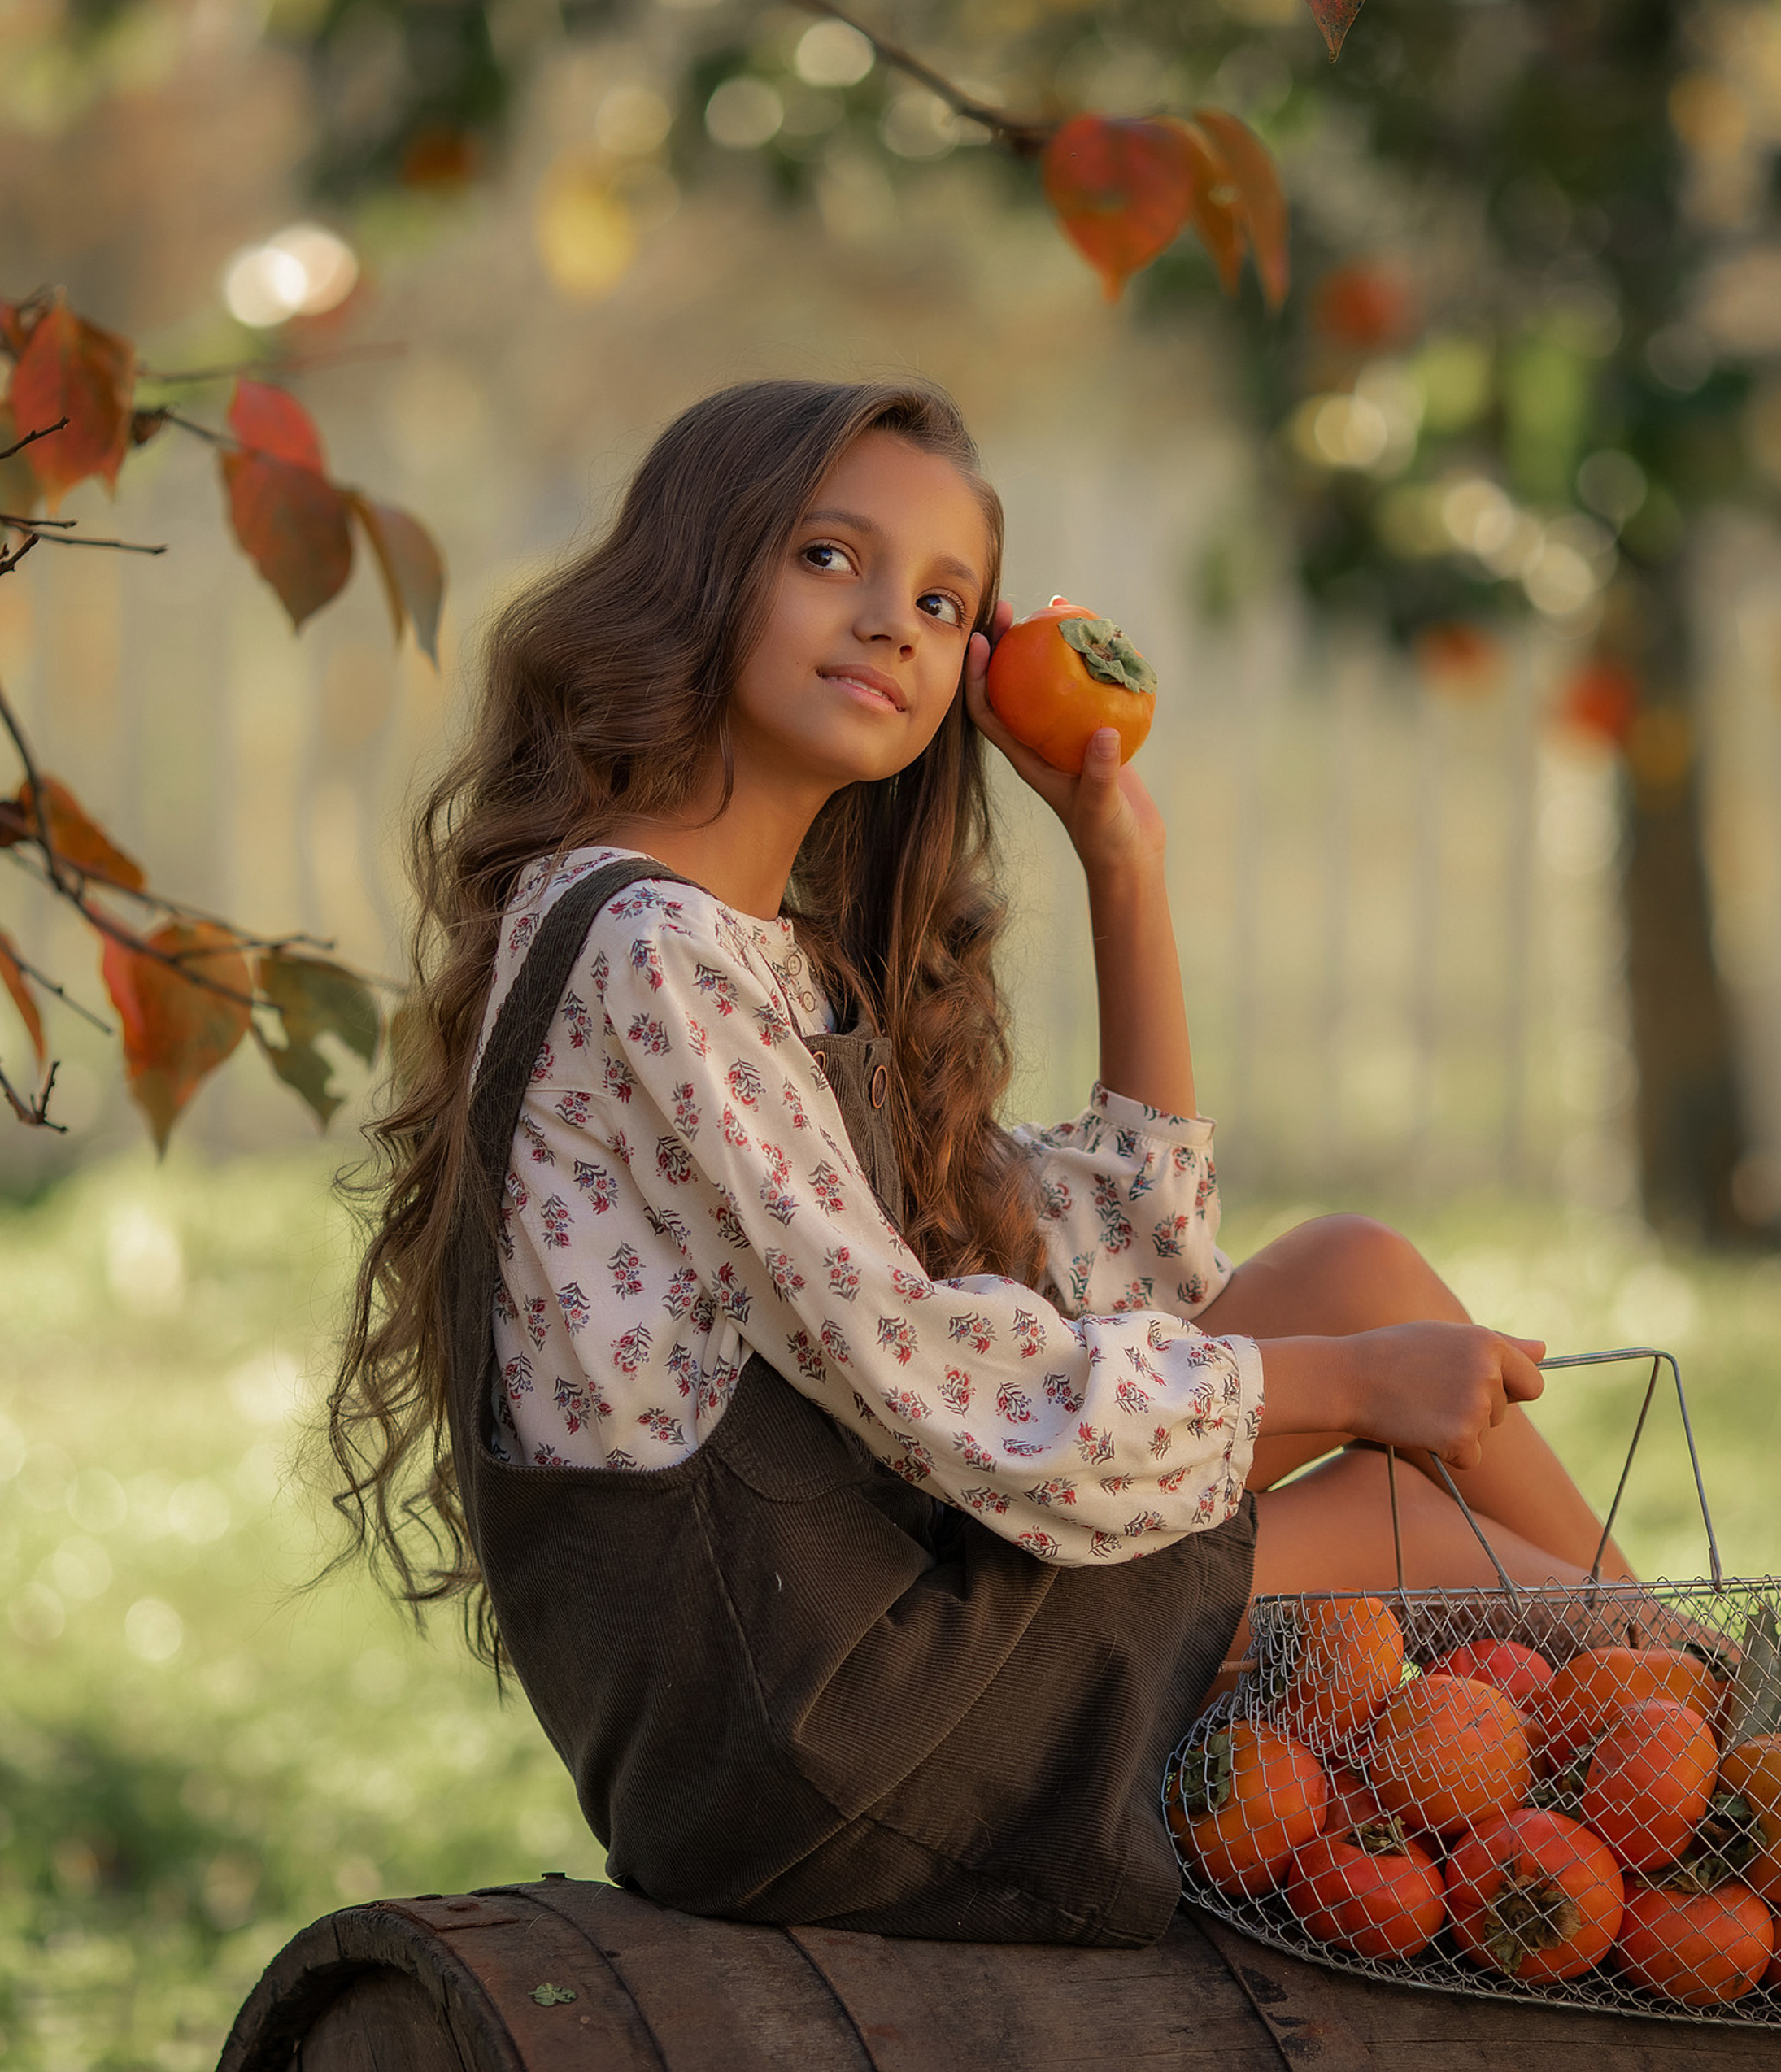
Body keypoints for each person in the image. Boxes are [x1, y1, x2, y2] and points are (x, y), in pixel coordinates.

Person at [329, 378, 1631, 1949]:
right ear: (697, 568)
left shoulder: (759, 960)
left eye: (943, 602)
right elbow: (930, 1365)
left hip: (883, 1623)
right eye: (829, 557)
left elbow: (1123, 1273)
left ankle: (1736, 1761)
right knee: (1426, 1531)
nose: (891, 621)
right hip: (822, 1731)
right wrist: (1350, 1389)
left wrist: (1119, 863)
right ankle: (1755, 1785)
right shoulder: (650, 948)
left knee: (1353, 1262)